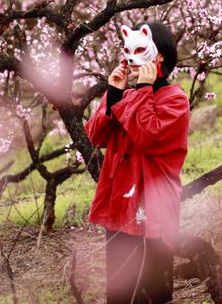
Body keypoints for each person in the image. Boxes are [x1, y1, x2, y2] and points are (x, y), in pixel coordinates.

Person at [84, 21, 190, 303]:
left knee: (153, 292)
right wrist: (115, 93)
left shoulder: (176, 100)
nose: (131, 58)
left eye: (141, 49)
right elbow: (95, 135)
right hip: (120, 208)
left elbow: (150, 137)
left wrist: (142, 91)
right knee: (120, 291)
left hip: (153, 210)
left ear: (160, 55)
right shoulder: (127, 95)